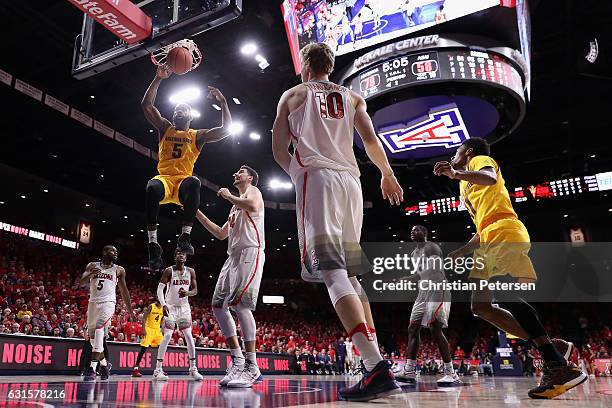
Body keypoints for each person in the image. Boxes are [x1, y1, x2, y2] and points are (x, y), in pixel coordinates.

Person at [272, 42, 404, 401]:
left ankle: (375, 367)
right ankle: (373, 365)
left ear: (305, 65)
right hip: (352, 182)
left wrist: (298, 175)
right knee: (352, 275)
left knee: (332, 271)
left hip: (319, 178)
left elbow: (278, 147)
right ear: (330, 66)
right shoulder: (353, 97)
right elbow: (370, 140)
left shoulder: (294, 94)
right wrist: (387, 173)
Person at [434, 137, 587, 399]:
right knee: (480, 307)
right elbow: (482, 228)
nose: (454, 156)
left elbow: (491, 178)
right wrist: (461, 252)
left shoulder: (479, 161)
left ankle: (556, 364)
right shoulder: (465, 186)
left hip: (505, 230)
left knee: (502, 293)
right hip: (490, 235)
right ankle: (554, 348)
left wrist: (456, 172)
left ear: (467, 152)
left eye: (457, 152)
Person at [141, 65, 232, 270]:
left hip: (183, 183)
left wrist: (224, 102)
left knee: (194, 182)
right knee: (151, 187)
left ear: (190, 115)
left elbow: (226, 130)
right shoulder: (165, 127)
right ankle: (153, 245)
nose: (177, 111)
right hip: (165, 179)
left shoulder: (196, 135)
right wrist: (157, 79)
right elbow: (146, 105)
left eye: (182, 109)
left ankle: (185, 237)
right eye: (175, 110)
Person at [196, 165, 265, 388]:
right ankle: (237, 359)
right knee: (218, 306)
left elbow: (253, 205)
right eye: (235, 171)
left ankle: (252, 366)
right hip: (233, 256)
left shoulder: (253, 191)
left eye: (240, 172)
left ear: (250, 178)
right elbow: (220, 233)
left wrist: (227, 195)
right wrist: (195, 212)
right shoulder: (235, 209)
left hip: (250, 250)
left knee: (241, 306)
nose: (235, 174)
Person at [395, 225, 459, 385]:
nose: (412, 231)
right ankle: (409, 370)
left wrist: (411, 278)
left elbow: (434, 268)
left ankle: (451, 372)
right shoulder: (413, 253)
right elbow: (421, 274)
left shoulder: (431, 247)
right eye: (411, 230)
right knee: (412, 328)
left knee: (434, 327)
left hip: (437, 288)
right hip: (423, 292)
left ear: (425, 233)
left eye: (416, 230)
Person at [80, 245, 134, 382]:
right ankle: (104, 365)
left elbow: (124, 291)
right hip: (93, 304)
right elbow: (81, 282)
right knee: (93, 340)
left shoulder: (119, 270)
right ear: (104, 252)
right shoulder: (92, 265)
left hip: (108, 303)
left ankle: (92, 368)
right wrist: (91, 274)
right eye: (112, 250)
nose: (115, 253)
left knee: (99, 328)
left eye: (116, 251)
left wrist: (131, 311)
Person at [153, 250, 203, 381]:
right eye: (179, 253)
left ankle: (193, 369)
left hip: (184, 307)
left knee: (189, 336)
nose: (181, 255)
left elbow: (195, 290)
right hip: (170, 306)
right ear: (174, 256)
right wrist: (163, 304)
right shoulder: (169, 271)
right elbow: (159, 289)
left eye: (183, 254)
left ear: (186, 257)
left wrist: (187, 294)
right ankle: (158, 370)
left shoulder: (191, 271)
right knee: (168, 335)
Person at [132, 298, 164, 377]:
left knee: (162, 349)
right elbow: (144, 318)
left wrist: (162, 328)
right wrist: (143, 329)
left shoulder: (163, 308)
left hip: (157, 331)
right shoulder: (151, 306)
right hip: (149, 329)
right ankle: (135, 369)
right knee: (143, 349)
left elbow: (162, 319)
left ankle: (159, 369)